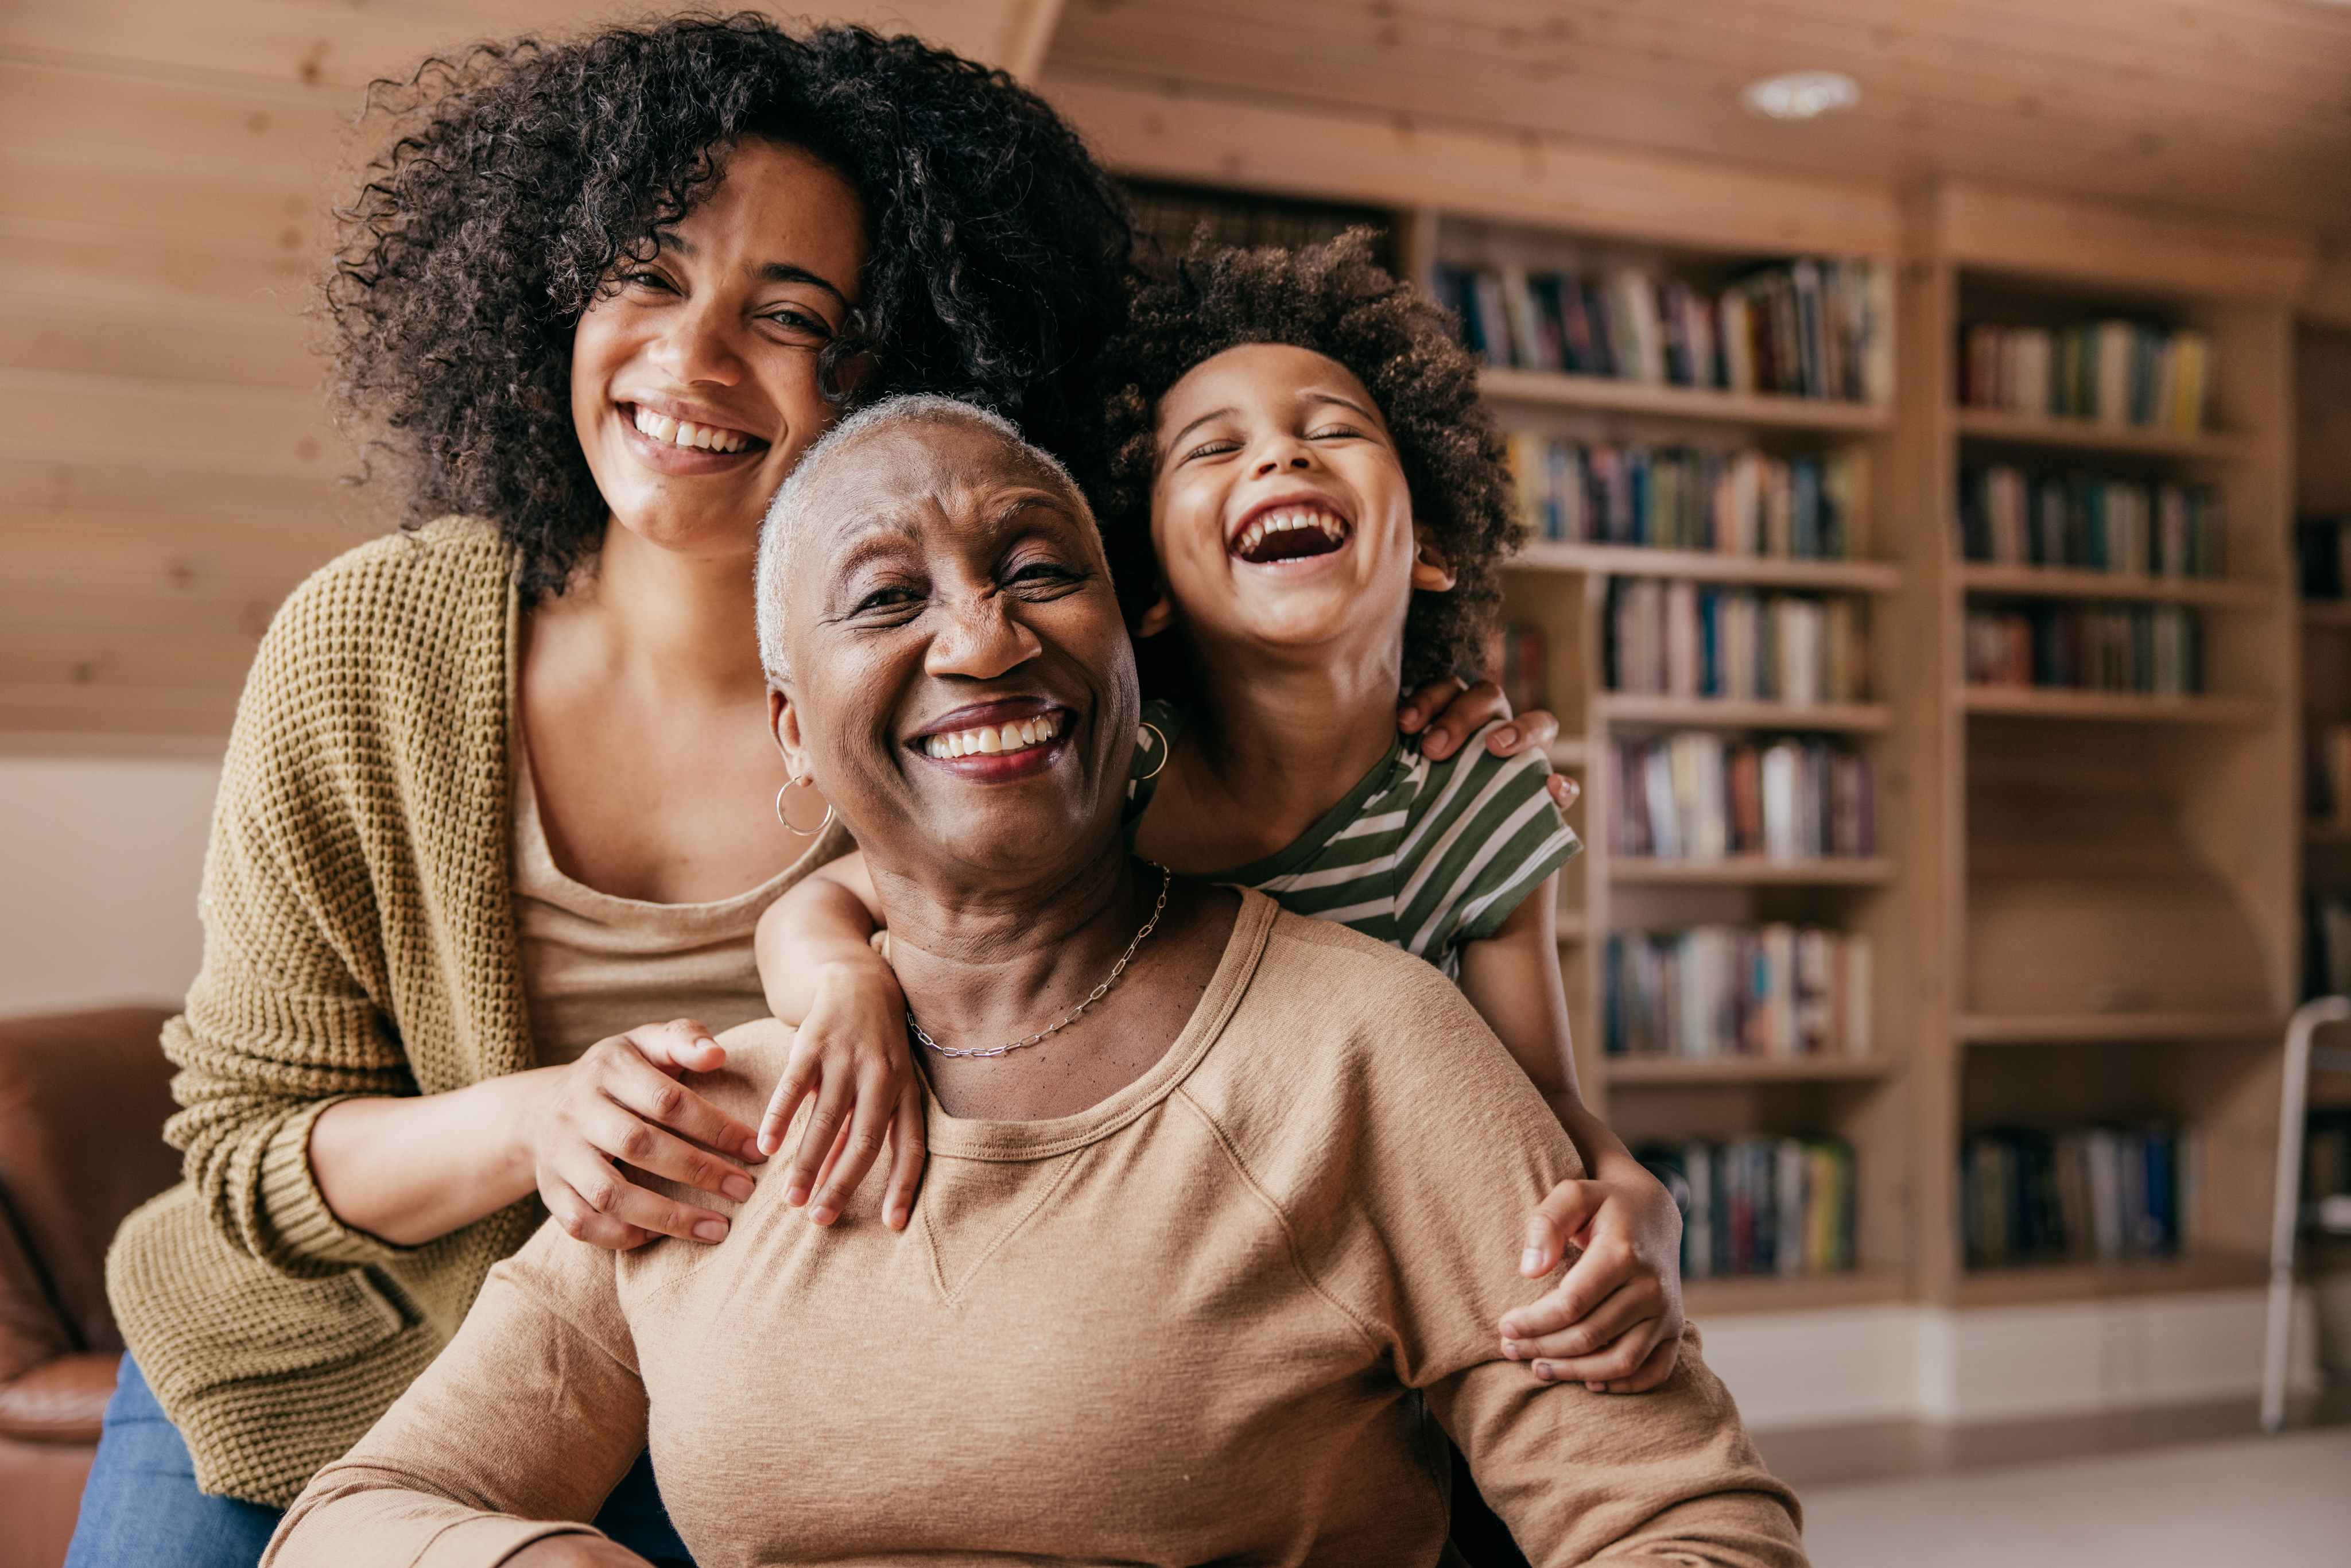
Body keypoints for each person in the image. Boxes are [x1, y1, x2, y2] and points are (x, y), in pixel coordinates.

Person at [69, 20, 1548, 1565]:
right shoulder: (366, 647)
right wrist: (549, 1120)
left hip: (731, 1370)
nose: (692, 361)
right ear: (552, 290)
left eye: (789, 314)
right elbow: (248, 1149)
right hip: (296, 1367)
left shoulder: (990, 699)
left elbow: (1297, 837)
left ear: (900, 363)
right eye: (646, 275)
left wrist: (1447, 734)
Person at [262, 395, 1806, 1568]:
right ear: (797, 732)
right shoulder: (708, 1118)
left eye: (1037, 570)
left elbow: (1689, 1527)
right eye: (887, 596)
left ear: (1133, 652)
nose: (984, 639)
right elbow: (356, 1514)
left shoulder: (1367, 1044)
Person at [756, 232, 1683, 1394]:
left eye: (1332, 427)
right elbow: (821, 907)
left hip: (1363, 1296)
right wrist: (843, 987)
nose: (1282, 452)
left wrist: (1640, 1201)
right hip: (1121, 1277)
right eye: (1214, 446)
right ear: (1142, 586)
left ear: (1432, 542)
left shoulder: (1477, 800)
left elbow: (1536, 1101)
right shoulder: (1105, 774)